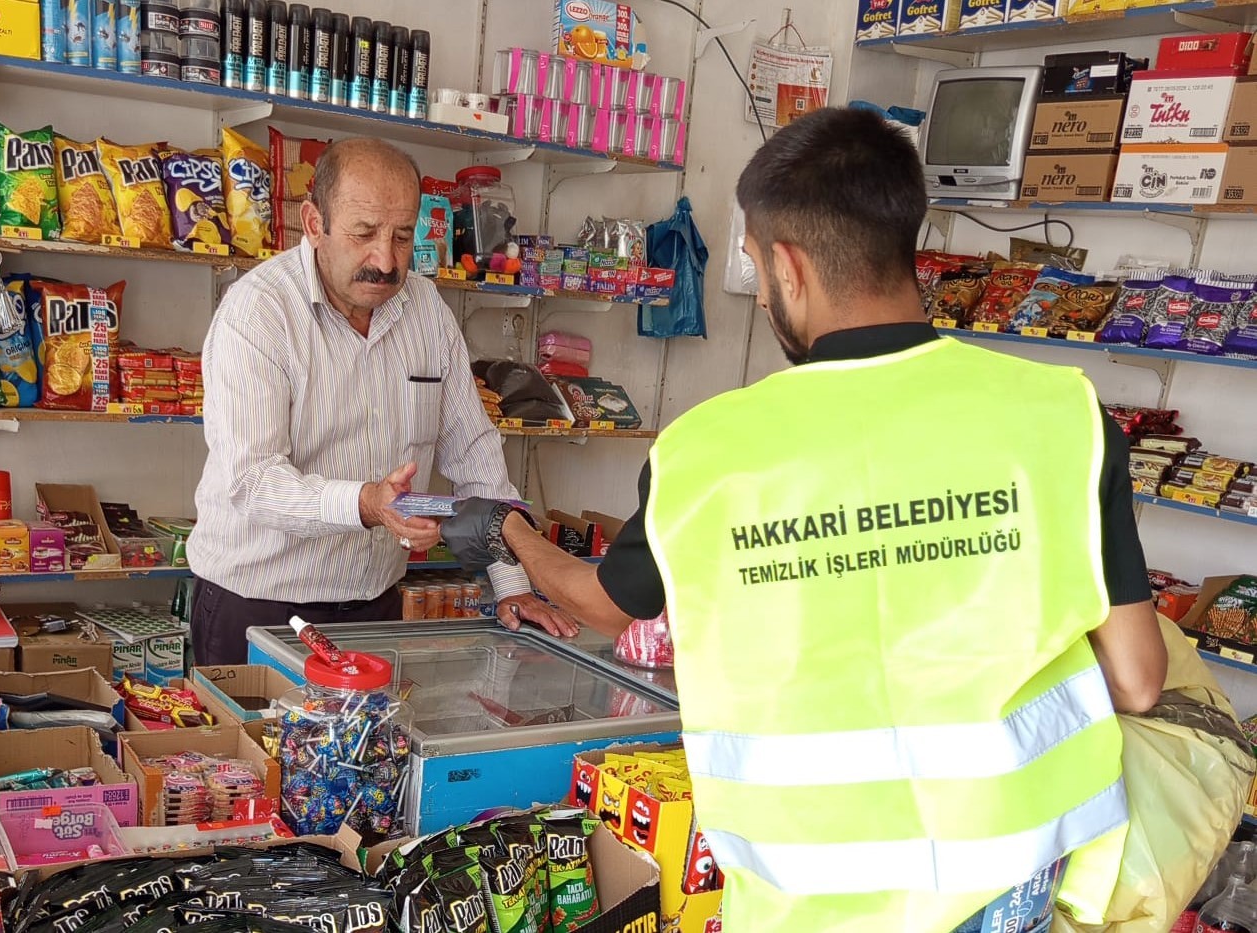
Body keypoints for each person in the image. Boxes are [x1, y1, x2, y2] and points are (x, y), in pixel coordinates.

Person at [442, 107, 1168, 933]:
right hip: (1011, 883)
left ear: (786, 266)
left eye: (752, 265)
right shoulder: (1062, 416)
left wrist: (511, 530)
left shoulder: (709, 451)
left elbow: (605, 603)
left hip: (810, 898)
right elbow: (1140, 678)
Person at [186, 137, 576, 665]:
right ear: (315, 223)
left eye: (401, 236)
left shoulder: (426, 312)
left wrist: (510, 582)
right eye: (364, 233)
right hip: (258, 607)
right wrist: (365, 503)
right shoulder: (258, 312)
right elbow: (253, 482)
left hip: (375, 607)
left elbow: (476, 454)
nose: (385, 260)